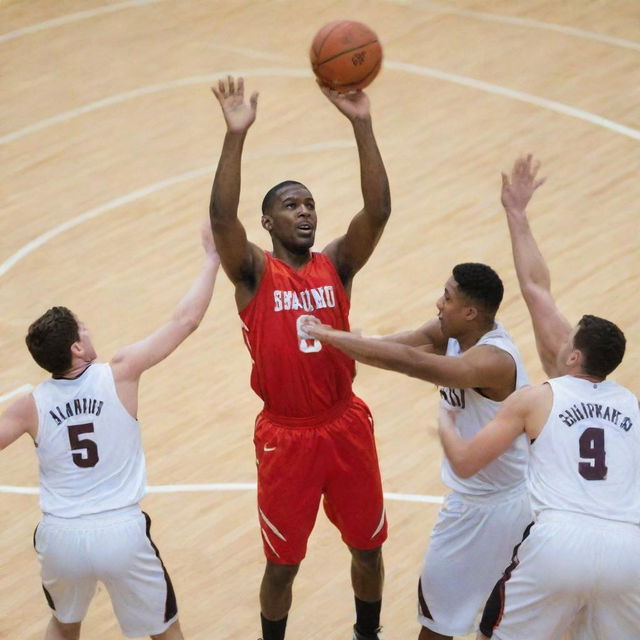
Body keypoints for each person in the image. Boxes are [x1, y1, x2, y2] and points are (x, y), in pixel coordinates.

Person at [208, 76, 391, 640]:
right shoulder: (255, 272)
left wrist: (361, 122)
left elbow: (378, 211)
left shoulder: (336, 263)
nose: (305, 213)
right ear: (269, 222)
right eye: (291, 206)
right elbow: (221, 219)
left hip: (345, 423)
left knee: (367, 548)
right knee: (283, 564)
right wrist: (235, 136)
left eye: (310, 204)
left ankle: (367, 633)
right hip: (286, 435)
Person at [437, 155, 640, 639]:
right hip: (629, 550)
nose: (559, 337)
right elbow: (536, 288)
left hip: (559, 540)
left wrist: (444, 421)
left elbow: (535, 289)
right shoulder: (631, 404)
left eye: (569, 339)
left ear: (573, 357)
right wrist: (518, 214)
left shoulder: (539, 394)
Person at [0, 224, 220, 640]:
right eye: (83, 329)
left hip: (60, 535)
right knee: (165, 632)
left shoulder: (30, 404)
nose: (89, 331)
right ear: (76, 349)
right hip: (119, 531)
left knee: (64, 625)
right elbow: (185, 320)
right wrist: (211, 261)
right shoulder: (120, 372)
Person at [302, 260, 532, 640]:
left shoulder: (493, 360)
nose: (438, 303)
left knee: (441, 624)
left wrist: (328, 336)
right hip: (485, 499)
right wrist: (351, 341)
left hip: (495, 508)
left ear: (471, 312)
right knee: (488, 621)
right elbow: (400, 343)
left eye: (448, 297)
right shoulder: (453, 333)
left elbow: (409, 362)